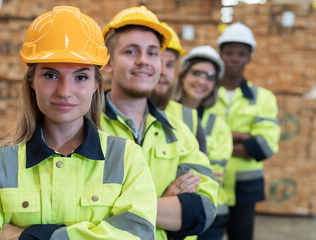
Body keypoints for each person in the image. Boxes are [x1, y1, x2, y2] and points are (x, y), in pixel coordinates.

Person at [0, 6, 157, 240]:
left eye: (81, 77)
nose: (65, 91)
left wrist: (31, 236)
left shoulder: (127, 159)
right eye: (51, 75)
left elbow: (138, 234)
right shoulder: (1, 163)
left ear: (96, 84)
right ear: (31, 80)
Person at [100, 6, 218, 240]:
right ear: (108, 62)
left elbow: (204, 208)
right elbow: (74, 212)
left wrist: (116, 209)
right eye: (131, 52)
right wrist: (163, 205)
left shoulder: (179, 132)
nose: (144, 61)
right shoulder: (83, 128)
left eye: (153, 53)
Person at [208, 22, 281, 240]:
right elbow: (194, 139)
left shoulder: (263, 97)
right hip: (210, 183)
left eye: (241, 53)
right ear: (220, 55)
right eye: (229, 53)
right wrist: (242, 137)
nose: (234, 58)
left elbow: (263, 146)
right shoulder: (204, 95)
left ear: (249, 57)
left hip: (245, 189)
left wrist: (218, 143)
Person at [177, 45, 233, 240]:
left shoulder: (218, 125)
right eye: (197, 73)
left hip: (210, 211)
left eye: (209, 77)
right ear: (183, 75)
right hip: (170, 210)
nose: (202, 81)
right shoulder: (163, 113)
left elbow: (214, 174)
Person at [150, 22, 208, 155]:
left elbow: (201, 174)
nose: (163, 72)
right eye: (158, 62)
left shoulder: (189, 118)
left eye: (170, 65)